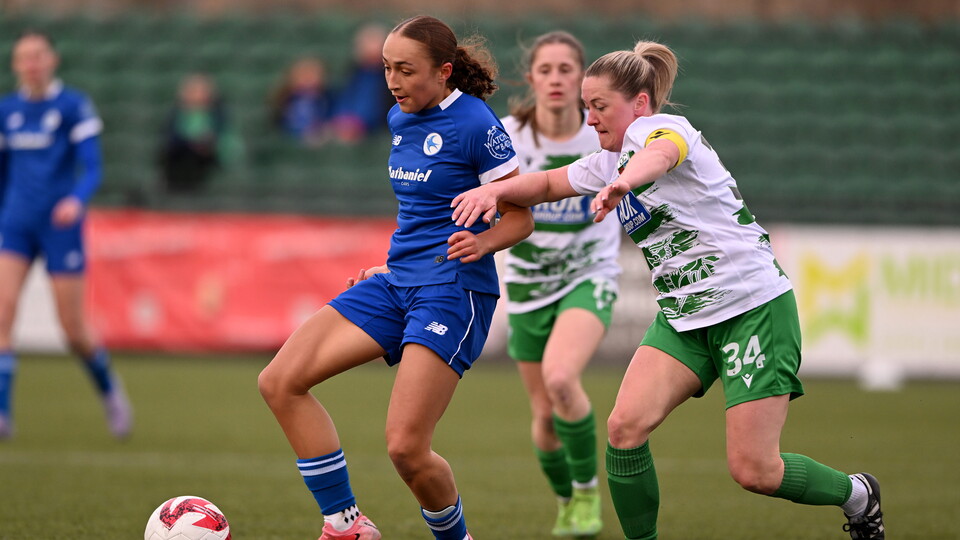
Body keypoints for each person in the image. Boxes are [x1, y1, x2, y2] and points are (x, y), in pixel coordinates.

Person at [452, 40, 885, 540]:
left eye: (600, 107)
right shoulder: (604, 161)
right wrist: (495, 190)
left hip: (752, 309)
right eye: (586, 108)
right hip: (684, 317)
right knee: (623, 430)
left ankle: (859, 495)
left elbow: (658, 155)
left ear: (638, 103)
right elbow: (547, 185)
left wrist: (624, 184)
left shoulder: (666, 130)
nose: (590, 120)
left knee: (754, 470)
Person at [258, 15, 533, 540]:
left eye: (405, 70)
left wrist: (482, 241)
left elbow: (520, 217)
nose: (392, 81)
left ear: (444, 71)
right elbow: (421, 212)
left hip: (453, 289)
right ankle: (346, 525)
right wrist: (393, 264)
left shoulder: (477, 124)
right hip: (397, 280)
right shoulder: (399, 118)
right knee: (279, 382)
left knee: (406, 449)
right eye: (387, 68)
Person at [499, 31, 620, 538]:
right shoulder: (505, 136)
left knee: (562, 378)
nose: (555, 79)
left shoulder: (604, 134)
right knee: (545, 417)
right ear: (531, 78)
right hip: (526, 286)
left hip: (588, 276)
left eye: (565, 70)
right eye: (545, 70)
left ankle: (590, 493)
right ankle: (568, 500)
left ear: (580, 78)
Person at [0, 30, 132, 440]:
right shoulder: (7, 111)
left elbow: (92, 167)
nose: (32, 63)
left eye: (38, 55)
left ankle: (110, 391)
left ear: (52, 59)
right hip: (16, 223)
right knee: (2, 312)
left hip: (60, 226)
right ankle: (3, 415)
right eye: (24, 57)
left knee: (72, 328)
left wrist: (76, 199)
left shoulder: (73, 105)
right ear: (15, 65)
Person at [157, 72, 242, 194]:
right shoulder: (176, 114)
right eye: (192, 89)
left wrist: (210, 143)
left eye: (200, 89)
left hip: (209, 161)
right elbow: (169, 141)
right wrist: (190, 143)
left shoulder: (218, 114)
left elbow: (227, 143)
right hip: (180, 161)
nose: (196, 94)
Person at [331, 23, 395, 143]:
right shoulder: (353, 73)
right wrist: (341, 121)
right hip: (344, 126)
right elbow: (344, 99)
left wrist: (358, 125)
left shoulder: (389, 77)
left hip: (372, 131)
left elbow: (380, 108)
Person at [270, 56, 336, 146]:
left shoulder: (328, 97)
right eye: (306, 74)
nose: (310, 78)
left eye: (315, 74)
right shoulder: (288, 101)